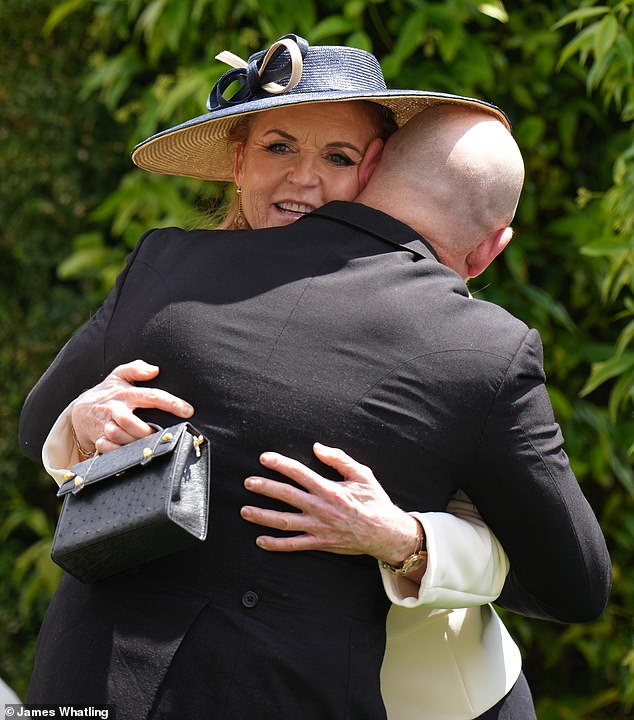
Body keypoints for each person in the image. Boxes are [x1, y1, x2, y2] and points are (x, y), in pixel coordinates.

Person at [18, 36, 609, 720]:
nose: (303, 180)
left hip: (421, 685)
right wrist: (81, 422)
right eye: (278, 148)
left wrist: (408, 541)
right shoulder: (165, 271)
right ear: (237, 162)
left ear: (380, 169)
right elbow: (43, 425)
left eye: (338, 157)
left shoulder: (458, 345)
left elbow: (545, 556)